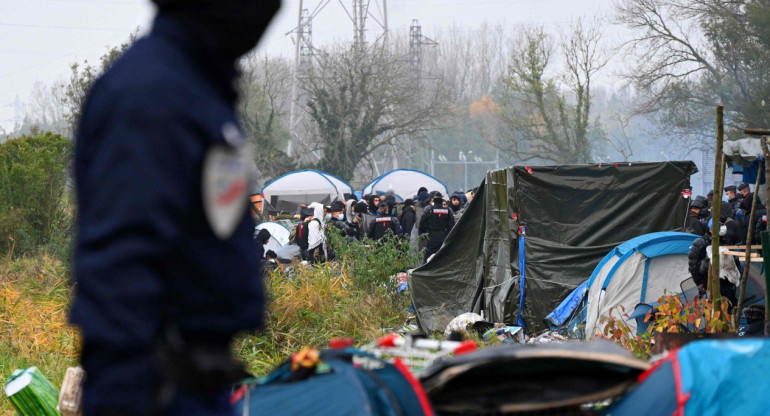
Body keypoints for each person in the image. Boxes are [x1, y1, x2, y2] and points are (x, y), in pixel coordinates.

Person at [70, 1, 281, 415]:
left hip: (196, 377)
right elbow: (123, 259)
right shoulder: (153, 96)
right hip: (157, 384)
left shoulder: (195, 88)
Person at [687, 219, 738, 305]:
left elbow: (734, 262)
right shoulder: (700, 243)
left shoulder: (725, 242)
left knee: (728, 307)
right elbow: (693, 267)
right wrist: (700, 285)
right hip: (707, 283)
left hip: (726, 283)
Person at [419, 194, 455, 262]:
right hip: (444, 237)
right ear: (441, 201)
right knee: (443, 258)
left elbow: (422, 223)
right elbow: (452, 225)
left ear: (434, 201)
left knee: (428, 258)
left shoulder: (428, 209)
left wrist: (423, 234)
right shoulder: (448, 210)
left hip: (432, 237)